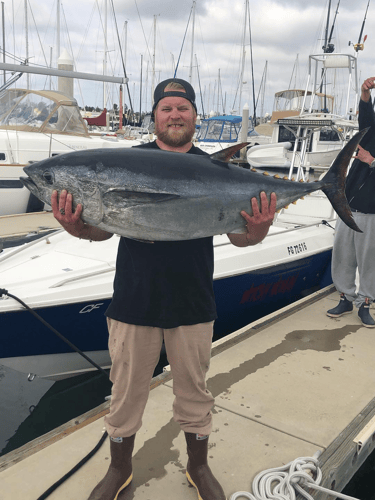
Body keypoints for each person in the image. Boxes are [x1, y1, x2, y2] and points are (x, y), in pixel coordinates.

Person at [52, 78, 277, 500]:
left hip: (193, 302)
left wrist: (259, 229)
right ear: (155, 116)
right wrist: (78, 227)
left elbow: (241, 238)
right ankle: (118, 470)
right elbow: (105, 230)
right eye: (167, 108)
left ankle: (198, 465)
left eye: (183, 108)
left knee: (194, 392)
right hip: (134, 300)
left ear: (195, 116)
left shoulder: (217, 168)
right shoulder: (125, 164)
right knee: (124, 394)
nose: (175, 115)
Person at [327, 76, 375, 328]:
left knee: (369, 260)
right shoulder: (371, 131)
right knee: (343, 255)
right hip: (347, 204)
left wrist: (371, 161)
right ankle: (345, 297)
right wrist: (365, 93)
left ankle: (366, 303)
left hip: (371, 210)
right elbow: (366, 117)